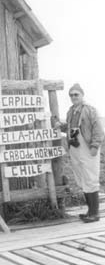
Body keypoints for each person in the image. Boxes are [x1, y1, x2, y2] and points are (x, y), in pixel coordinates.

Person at [55, 83, 104, 223]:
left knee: (91, 178)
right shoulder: (71, 111)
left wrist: (95, 146)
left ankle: (95, 213)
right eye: (71, 95)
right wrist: (62, 126)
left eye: (76, 94)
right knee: (81, 178)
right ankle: (89, 211)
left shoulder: (90, 110)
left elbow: (98, 129)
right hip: (75, 148)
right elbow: (72, 128)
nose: (73, 97)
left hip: (87, 148)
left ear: (82, 95)